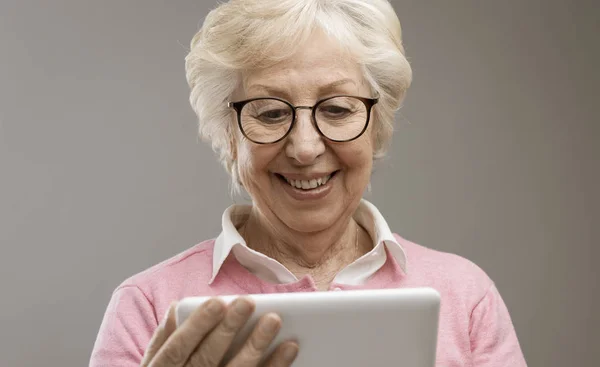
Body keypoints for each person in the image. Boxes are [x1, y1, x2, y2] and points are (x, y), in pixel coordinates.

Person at [90, 0, 527, 366]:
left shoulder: (465, 295)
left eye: (337, 108)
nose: (304, 148)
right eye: (270, 112)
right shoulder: (145, 305)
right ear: (228, 133)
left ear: (377, 125)